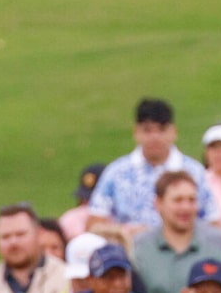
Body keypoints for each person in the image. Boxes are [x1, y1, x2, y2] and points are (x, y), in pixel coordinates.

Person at [83, 96, 208, 231]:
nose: (155, 137)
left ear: (174, 132)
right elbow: (94, 222)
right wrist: (124, 232)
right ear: (136, 132)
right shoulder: (117, 172)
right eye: (147, 130)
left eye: (161, 130)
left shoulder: (193, 171)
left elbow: (212, 221)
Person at [127, 168, 221, 293]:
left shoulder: (217, 242)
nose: (186, 207)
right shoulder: (139, 248)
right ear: (158, 203)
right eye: (178, 200)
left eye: (192, 200)